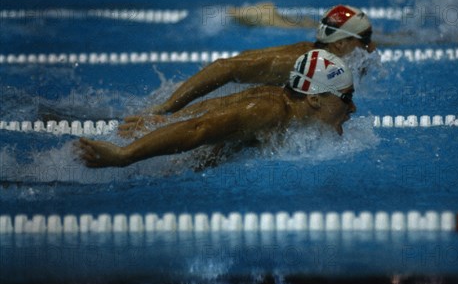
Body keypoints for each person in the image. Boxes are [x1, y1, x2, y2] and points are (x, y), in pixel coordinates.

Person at [78, 50, 356, 168]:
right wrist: (124, 155)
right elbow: (200, 128)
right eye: (345, 98)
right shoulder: (269, 110)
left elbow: (213, 108)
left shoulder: (280, 103)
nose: (352, 107)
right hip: (168, 166)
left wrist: (161, 122)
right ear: (315, 98)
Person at [147, 4, 375, 115]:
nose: (371, 46)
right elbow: (224, 67)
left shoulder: (326, 62)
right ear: (340, 44)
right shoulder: (298, 61)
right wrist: (168, 107)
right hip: (201, 97)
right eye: (365, 39)